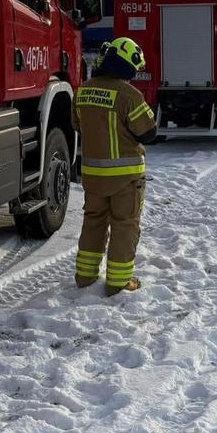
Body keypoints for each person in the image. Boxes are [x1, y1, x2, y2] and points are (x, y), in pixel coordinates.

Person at [72, 37, 157, 296]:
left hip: (92, 176)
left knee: (93, 222)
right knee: (125, 225)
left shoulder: (83, 91)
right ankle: (118, 282)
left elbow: (77, 125)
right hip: (125, 178)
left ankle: (85, 277)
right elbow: (148, 133)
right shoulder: (129, 94)